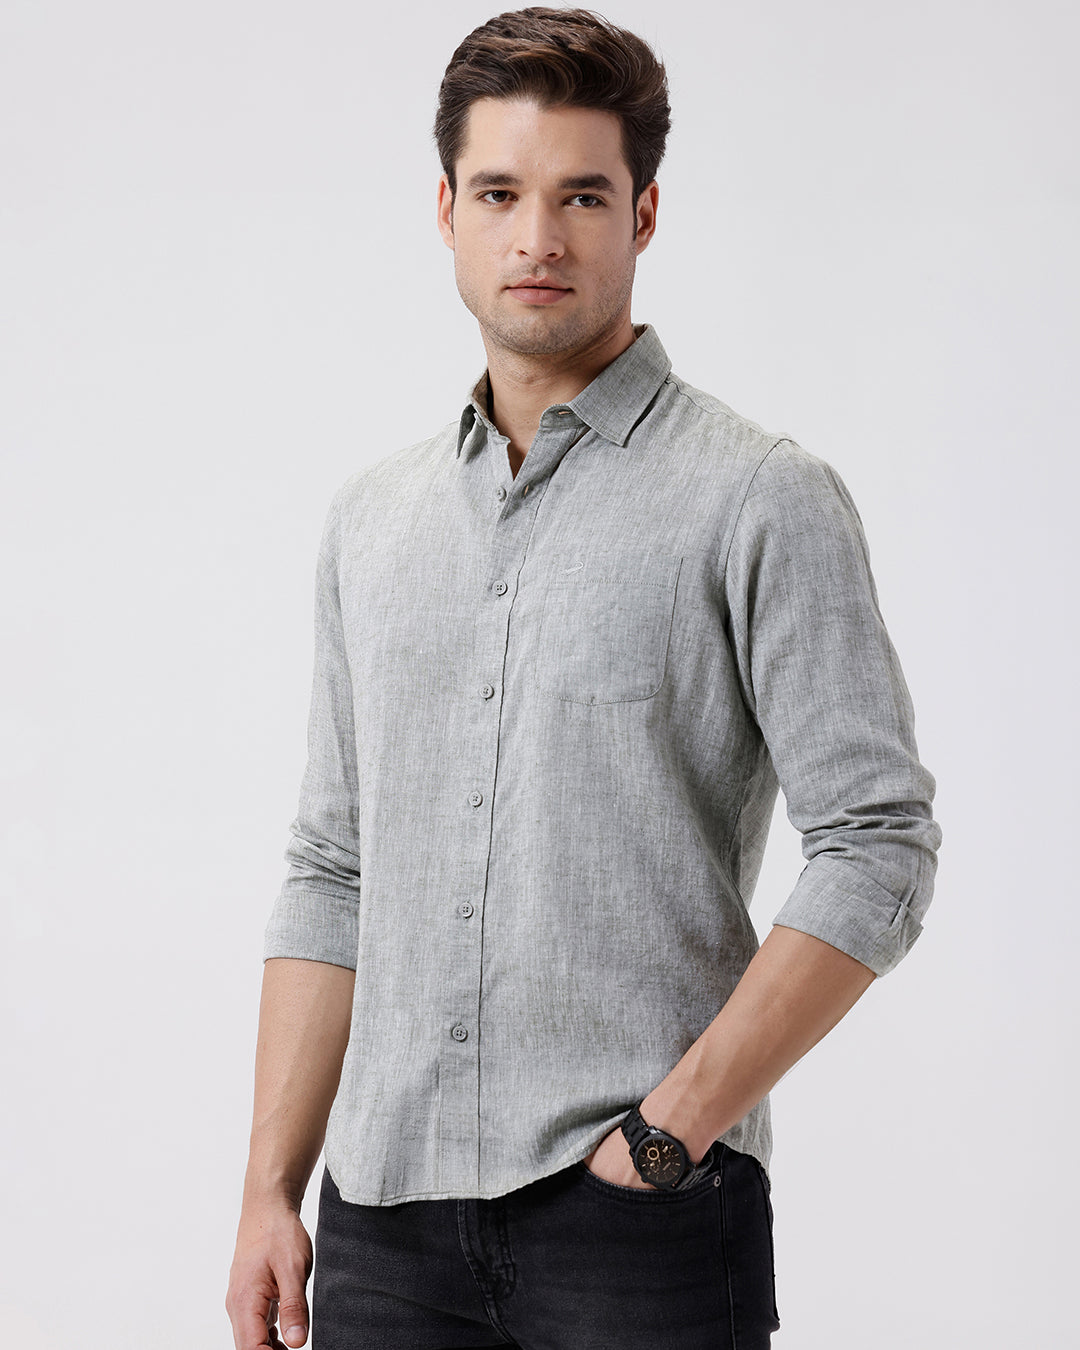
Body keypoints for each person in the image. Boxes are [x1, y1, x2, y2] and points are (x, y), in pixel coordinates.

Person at [226, 8, 941, 1348]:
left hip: (641, 1219)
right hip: (381, 1222)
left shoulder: (760, 496)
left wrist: (672, 1131)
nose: (538, 238)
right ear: (447, 210)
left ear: (644, 214)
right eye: (501, 193)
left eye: (583, 196)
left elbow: (878, 841)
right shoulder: (371, 520)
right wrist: (270, 1188)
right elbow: (333, 864)